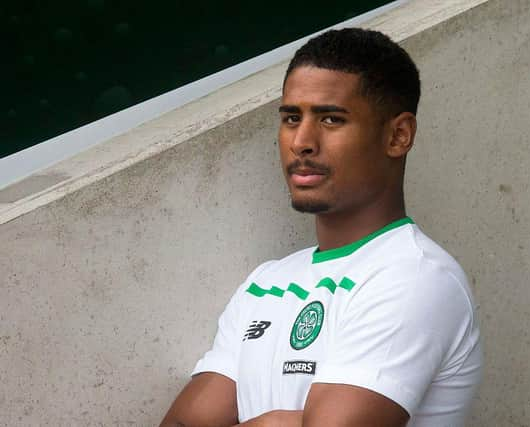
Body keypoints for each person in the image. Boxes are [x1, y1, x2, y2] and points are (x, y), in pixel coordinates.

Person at [160, 28, 482, 427]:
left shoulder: (414, 276)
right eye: (292, 118)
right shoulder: (265, 285)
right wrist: (281, 421)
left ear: (398, 136)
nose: (302, 141)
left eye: (331, 118)